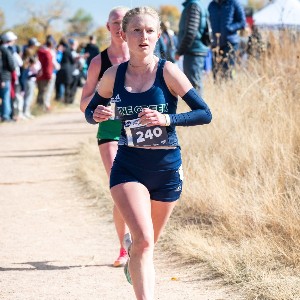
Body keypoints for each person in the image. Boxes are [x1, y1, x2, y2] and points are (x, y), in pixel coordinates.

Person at [84, 6, 212, 299]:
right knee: (143, 240)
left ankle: (133, 256)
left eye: (150, 30)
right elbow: (91, 112)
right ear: (123, 35)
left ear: (157, 35)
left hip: (167, 169)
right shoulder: (113, 75)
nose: (144, 36)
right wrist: (98, 113)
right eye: (136, 30)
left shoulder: (167, 71)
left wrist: (168, 118)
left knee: (147, 244)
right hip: (128, 166)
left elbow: (205, 113)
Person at [80, 6, 130, 268]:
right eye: (115, 23)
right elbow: (84, 101)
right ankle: (124, 248)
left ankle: (142, 240)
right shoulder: (99, 62)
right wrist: (96, 108)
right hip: (110, 131)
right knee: (120, 190)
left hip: (140, 132)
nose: (120, 27)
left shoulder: (145, 57)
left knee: (143, 189)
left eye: (125, 22)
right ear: (107, 27)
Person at [175, 0, 210, 96]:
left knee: (194, 85)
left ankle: (199, 110)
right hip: (194, 50)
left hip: (193, 51)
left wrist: (180, 51)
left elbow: (191, 32)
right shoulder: (196, 5)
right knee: (195, 84)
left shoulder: (193, 6)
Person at [208, 0, 246, 80]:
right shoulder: (212, 5)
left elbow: (242, 22)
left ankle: (230, 88)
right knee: (216, 72)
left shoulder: (233, 3)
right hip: (216, 44)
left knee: (228, 70)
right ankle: (218, 90)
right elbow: (207, 22)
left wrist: (230, 28)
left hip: (230, 43)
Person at [0, 31, 16, 122]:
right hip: (5, 77)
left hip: (3, 77)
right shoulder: (5, 50)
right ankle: (6, 116)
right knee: (6, 97)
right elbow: (11, 65)